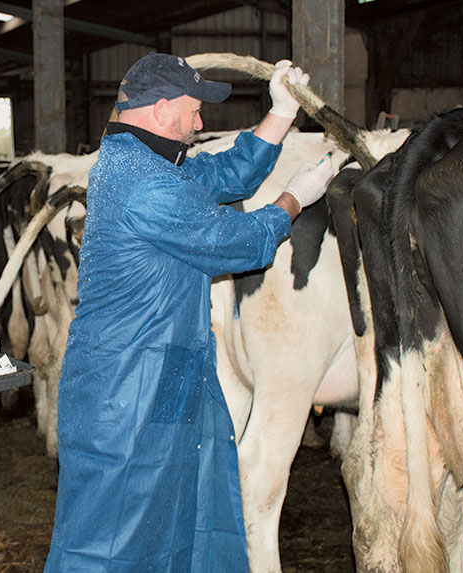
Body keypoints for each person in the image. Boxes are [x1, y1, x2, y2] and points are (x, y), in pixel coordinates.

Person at [44, 53, 335, 571]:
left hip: (164, 375)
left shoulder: (151, 164)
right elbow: (238, 241)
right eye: (193, 110)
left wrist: (282, 113)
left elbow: (227, 173)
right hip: (124, 392)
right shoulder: (143, 182)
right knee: (110, 541)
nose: (200, 123)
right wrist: (295, 199)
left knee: (181, 522)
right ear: (160, 111)